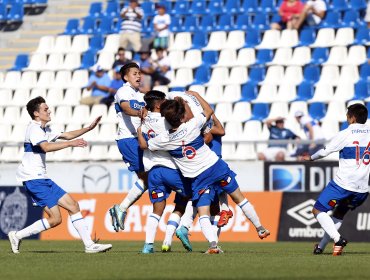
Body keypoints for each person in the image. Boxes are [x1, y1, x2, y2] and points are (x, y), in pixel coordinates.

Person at [139, 91, 270, 254]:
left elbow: (144, 145)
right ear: (181, 116)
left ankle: (213, 245)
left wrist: (140, 126)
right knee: (240, 199)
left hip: (199, 178)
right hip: (216, 167)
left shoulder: (164, 139)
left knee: (203, 213)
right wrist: (194, 96)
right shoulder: (192, 125)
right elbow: (209, 111)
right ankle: (260, 228)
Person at [8, 96, 112, 254]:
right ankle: (17, 235)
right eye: (45, 109)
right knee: (56, 219)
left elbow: (68, 135)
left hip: (41, 177)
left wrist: (89, 128)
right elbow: (45, 147)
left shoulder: (45, 129)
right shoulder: (34, 129)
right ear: (36, 113)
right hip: (33, 179)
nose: (49, 111)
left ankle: (89, 245)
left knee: (73, 206)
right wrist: (71, 144)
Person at [302, 103, 370, 256]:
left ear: (352, 118)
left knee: (318, 210)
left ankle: (338, 239)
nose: (346, 118)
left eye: (347, 115)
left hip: (343, 184)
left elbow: (325, 152)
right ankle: (320, 247)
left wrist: (311, 158)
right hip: (362, 189)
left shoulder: (346, 133)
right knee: (338, 214)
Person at [138, 90, 192, 254]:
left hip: (154, 171)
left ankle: (148, 245)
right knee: (190, 196)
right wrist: (183, 104)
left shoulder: (144, 120)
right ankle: (170, 236)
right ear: (159, 104)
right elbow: (187, 121)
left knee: (157, 210)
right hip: (171, 168)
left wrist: (141, 126)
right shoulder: (165, 121)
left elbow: (142, 145)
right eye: (164, 101)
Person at [109, 62, 148, 233]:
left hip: (139, 138)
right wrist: (143, 112)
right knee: (149, 178)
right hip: (128, 139)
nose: (138, 76)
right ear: (125, 77)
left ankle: (121, 208)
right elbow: (126, 108)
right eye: (134, 73)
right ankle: (121, 208)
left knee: (148, 179)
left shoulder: (139, 95)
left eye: (139, 73)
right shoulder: (123, 91)